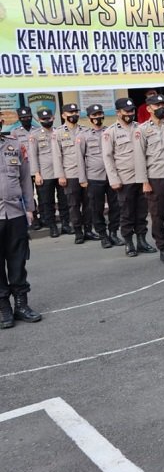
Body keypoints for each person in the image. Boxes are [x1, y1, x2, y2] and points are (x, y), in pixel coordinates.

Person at [0, 118, 41, 329]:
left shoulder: (15, 145)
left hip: (16, 213)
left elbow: (25, 179)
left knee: (18, 261)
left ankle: (21, 305)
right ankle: (3, 308)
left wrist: (29, 208)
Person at [103, 98, 157, 257]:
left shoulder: (140, 128)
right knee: (127, 213)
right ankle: (129, 243)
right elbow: (108, 158)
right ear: (118, 112)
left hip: (142, 178)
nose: (130, 113)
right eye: (126, 111)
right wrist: (114, 179)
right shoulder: (110, 132)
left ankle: (142, 241)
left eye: (132, 110)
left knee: (142, 212)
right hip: (124, 179)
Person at [135, 93, 164, 264]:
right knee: (157, 216)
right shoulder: (141, 130)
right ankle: (163, 247)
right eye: (157, 105)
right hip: (155, 178)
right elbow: (139, 157)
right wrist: (144, 182)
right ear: (149, 109)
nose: (161, 108)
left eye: (163, 105)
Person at [77, 104, 122, 249]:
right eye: (94, 115)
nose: (98, 117)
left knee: (116, 206)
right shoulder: (83, 135)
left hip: (112, 176)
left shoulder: (110, 132)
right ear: (89, 117)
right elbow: (80, 158)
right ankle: (103, 235)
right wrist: (83, 179)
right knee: (97, 208)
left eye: (100, 114)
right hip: (94, 177)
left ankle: (113, 233)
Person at [53, 103, 97, 244]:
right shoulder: (58, 133)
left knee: (89, 204)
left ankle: (88, 230)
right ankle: (78, 232)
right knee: (73, 205)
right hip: (70, 174)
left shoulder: (85, 130)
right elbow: (57, 156)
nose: (74, 115)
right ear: (63, 115)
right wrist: (61, 175)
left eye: (76, 112)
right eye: (70, 112)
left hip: (87, 173)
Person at [29, 108, 71, 238]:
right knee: (47, 202)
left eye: (49, 118)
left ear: (53, 118)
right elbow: (33, 155)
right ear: (39, 120)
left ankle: (65, 224)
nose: (47, 120)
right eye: (43, 119)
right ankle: (52, 226)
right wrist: (36, 173)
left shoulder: (59, 132)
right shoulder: (35, 135)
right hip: (45, 174)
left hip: (60, 172)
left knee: (64, 200)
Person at [11, 107, 41, 230]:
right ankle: (34, 218)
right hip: (24, 168)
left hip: (38, 167)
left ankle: (44, 217)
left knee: (42, 194)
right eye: (23, 118)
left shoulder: (38, 130)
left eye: (28, 117)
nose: (26, 119)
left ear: (31, 117)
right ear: (19, 119)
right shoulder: (15, 132)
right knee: (28, 193)